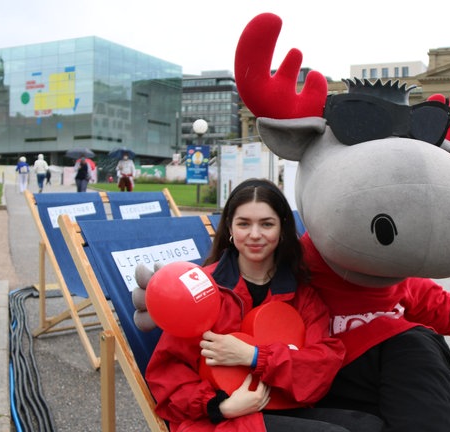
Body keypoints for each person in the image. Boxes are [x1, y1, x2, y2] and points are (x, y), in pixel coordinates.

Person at [142, 178, 383, 432]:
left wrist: (253, 355)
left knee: (370, 425)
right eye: (244, 224)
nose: (255, 235)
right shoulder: (202, 291)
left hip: (282, 405)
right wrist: (219, 406)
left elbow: (321, 365)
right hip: (218, 420)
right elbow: (167, 371)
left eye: (266, 224)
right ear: (230, 229)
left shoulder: (302, 293)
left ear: (281, 230)